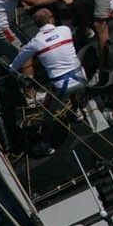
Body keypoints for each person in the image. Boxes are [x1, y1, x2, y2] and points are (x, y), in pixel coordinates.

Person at [9, 8, 87, 156]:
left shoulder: (35, 42)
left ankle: (46, 144)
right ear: (51, 19)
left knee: (48, 113)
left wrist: (12, 69)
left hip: (61, 85)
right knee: (74, 90)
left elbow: (18, 62)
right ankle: (77, 112)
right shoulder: (65, 30)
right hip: (81, 77)